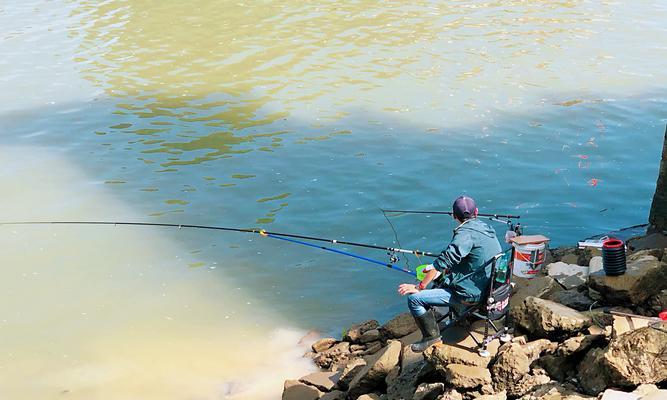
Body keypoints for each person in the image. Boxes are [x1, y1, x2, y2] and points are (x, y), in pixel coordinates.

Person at [397, 195, 502, 352]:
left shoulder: (464, 235)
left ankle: (431, 337)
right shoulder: (487, 229)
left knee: (414, 299)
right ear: (477, 212)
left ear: (454, 216)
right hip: (492, 287)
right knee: (442, 276)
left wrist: (419, 286)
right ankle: (462, 316)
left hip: (472, 296)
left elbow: (442, 263)